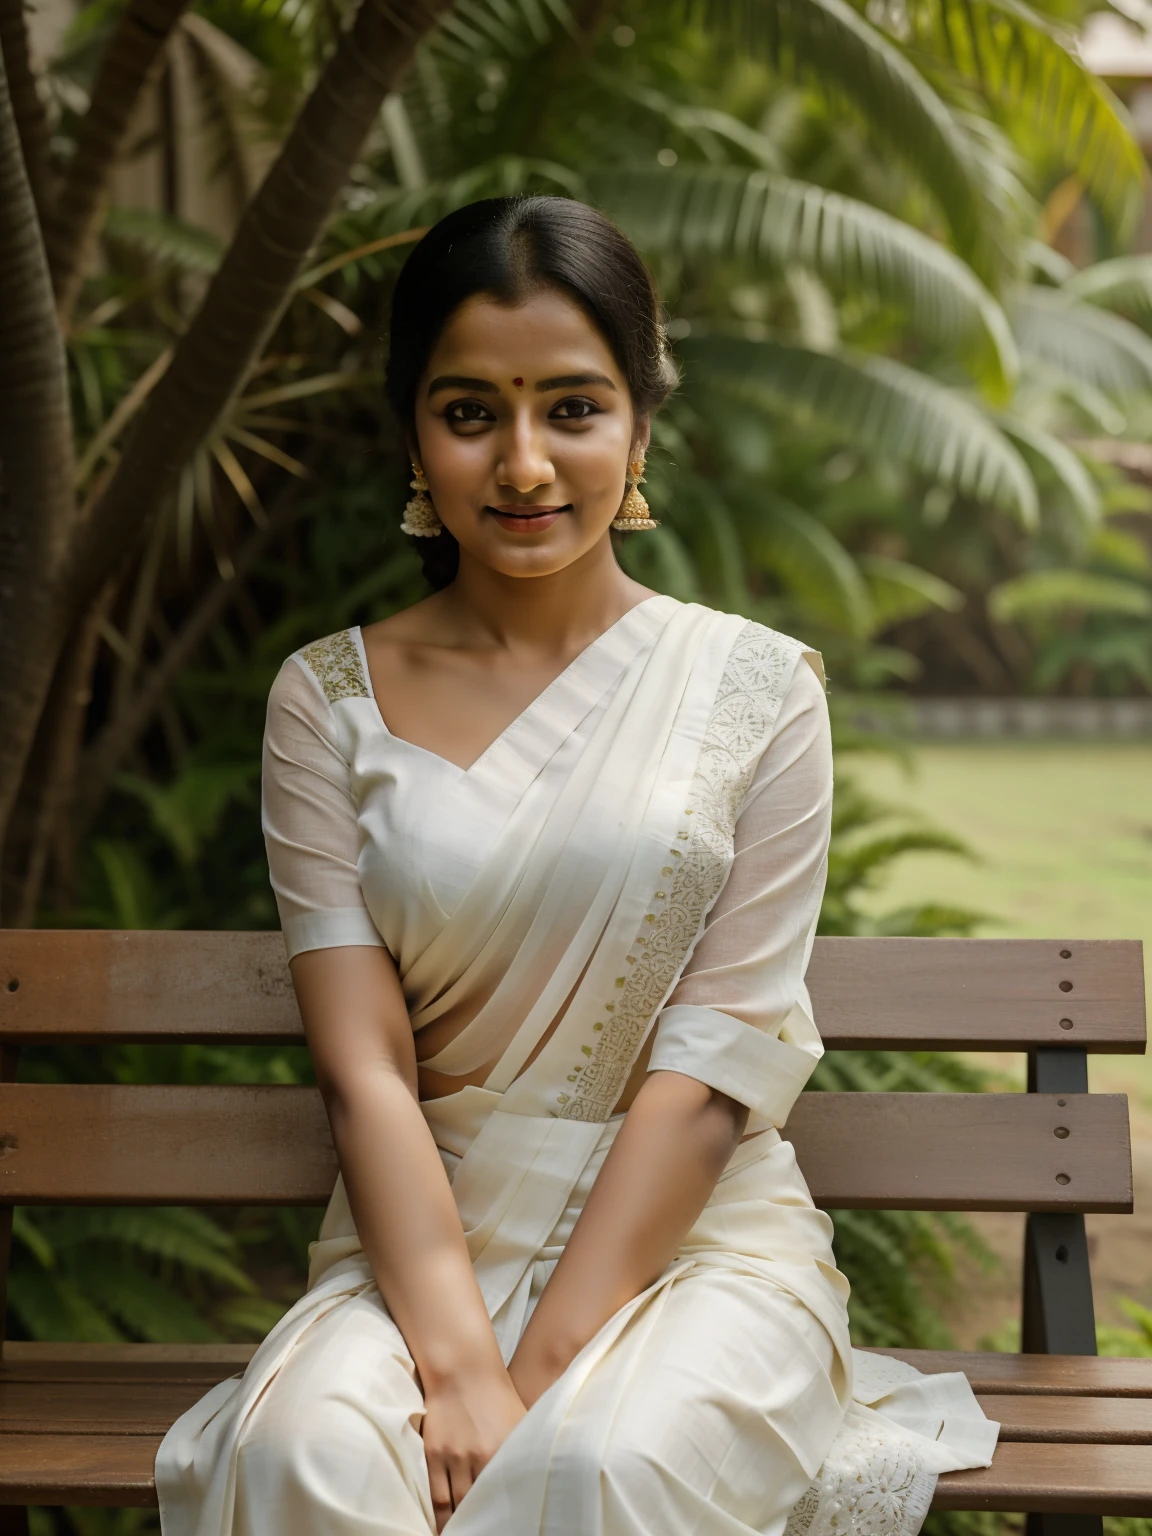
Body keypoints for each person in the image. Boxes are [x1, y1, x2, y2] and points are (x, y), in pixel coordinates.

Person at [156, 195, 997, 1536]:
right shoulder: (328, 703)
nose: (526, 463)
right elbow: (362, 1068)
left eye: (573, 407)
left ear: (641, 424)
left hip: (697, 1251)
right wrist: (455, 1363)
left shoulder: (755, 691)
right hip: (424, 1251)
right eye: (473, 410)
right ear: (413, 433)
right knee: (307, 1455)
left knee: (587, 1470)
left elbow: (718, 1074)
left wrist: (530, 1382)